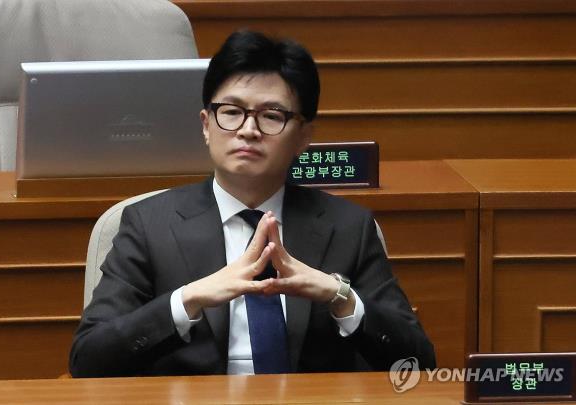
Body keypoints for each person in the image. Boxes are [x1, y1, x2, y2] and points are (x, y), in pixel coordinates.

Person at [69, 30, 435, 377]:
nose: (248, 129)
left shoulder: (347, 227)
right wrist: (187, 299)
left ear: (304, 136)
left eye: (272, 116)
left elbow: (418, 362)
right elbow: (88, 360)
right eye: (231, 112)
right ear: (206, 125)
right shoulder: (148, 225)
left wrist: (339, 297)